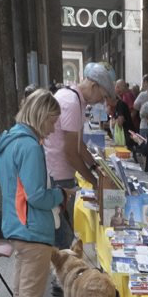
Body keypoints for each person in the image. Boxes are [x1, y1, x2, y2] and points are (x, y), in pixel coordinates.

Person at [0, 89, 67, 297]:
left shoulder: (9, 141)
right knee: (31, 295)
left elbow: (17, 187)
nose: (51, 130)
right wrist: (59, 195)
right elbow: (36, 195)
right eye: (51, 121)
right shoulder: (29, 146)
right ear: (40, 115)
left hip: (16, 225)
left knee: (21, 290)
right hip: (33, 229)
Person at [44, 61, 116, 257]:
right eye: (102, 96)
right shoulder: (70, 102)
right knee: (64, 237)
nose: (101, 102)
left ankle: (60, 284)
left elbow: (79, 145)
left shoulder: (76, 99)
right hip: (58, 175)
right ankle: (59, 287)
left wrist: (95, 167)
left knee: (64, 233)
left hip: (60, 173)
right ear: (93, 86)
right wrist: (95, 181)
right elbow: (71, 152)